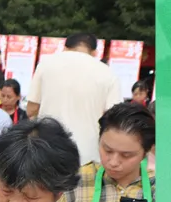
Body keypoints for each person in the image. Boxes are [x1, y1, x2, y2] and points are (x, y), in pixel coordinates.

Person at [59, 100, 155, 202]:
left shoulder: (159, 188)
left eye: (126, 155)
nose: (113, 162)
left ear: (145, 153)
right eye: (107, 150)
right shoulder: (74, 180)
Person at [27, 33, 120, 165]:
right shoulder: (108, 73)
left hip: (48, 150)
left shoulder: (46, 65)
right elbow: (115, 118)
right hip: (88, 154)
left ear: (65, 47)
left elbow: (31, 109)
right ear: (94, 52)